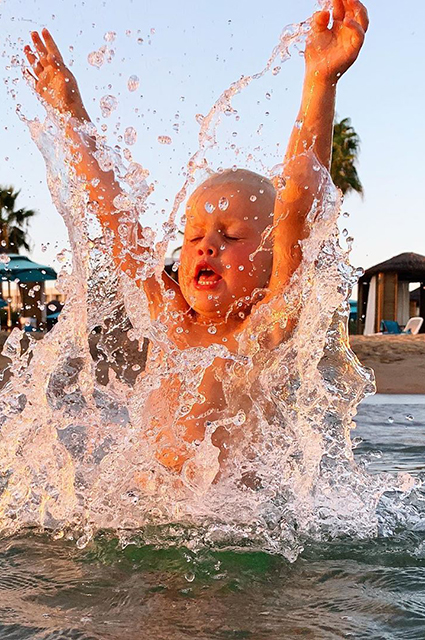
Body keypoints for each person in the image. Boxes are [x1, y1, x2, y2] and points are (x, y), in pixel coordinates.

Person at [24, 0, 368, 477]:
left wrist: (319, 80)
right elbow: (116, 219)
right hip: (149, 515)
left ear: (273, 261)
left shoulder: (263, 332)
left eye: (230, 236)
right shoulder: (168, 317)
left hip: (228, 530)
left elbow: (297, 205)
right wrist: (71, 114)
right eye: (195, 237)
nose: (208, 247)